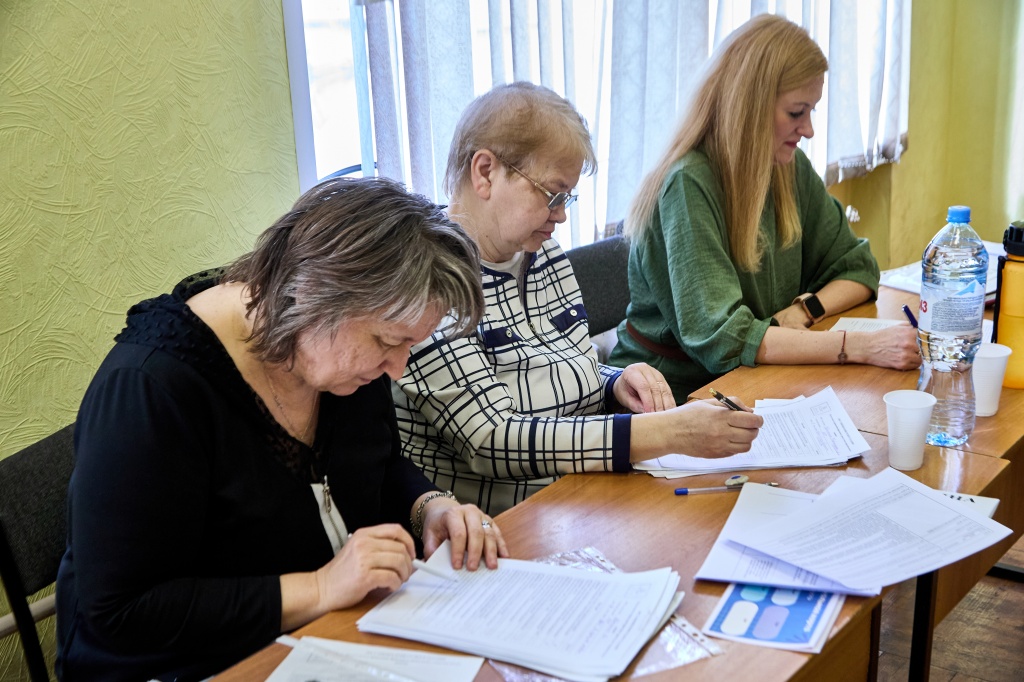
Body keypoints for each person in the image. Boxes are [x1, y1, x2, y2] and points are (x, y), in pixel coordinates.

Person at [56, 177, 508, 681]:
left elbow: (373, 464)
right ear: (312, 297)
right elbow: (121, 612)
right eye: (386, 342)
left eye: (409, 345)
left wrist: (430, 507)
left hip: (326, 636)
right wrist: (319, 587)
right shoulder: (151, 390)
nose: (397, 368)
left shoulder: (339, 362)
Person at [392, 82, 763, 517]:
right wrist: (668, 432)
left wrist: (614, 383)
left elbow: (561, 364)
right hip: (502, 522)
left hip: (578, 497)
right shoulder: (429, 281)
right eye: (552, 195)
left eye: (567, 197)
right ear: (485, 172)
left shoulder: (541, 251)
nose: (562, 214)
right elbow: (491, 440)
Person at [609, 14, 921, 402]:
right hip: (670, 393)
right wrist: (859, 346)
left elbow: (858, 269)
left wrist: (805, 310)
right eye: (796, 112)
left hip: (754, 377)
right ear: (750, 107)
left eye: (812, 112)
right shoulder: (688, 183)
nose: (808, 130)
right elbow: (724, 339)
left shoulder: (786, 166)